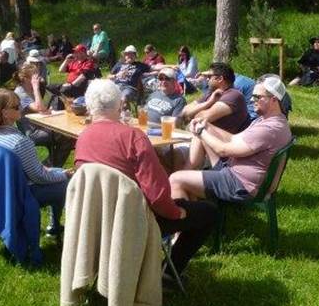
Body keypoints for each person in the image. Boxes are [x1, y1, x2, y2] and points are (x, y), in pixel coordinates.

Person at [74, 79, 217, 279]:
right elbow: (157, 196)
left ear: (89, 106)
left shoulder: (83, 138)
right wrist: (177, 212)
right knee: (208, 212)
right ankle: (168, 274)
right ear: (120, 104)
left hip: (96, 217)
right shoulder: (133, 137)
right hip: (133, 219)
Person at [170, 77, 292, 205]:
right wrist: (207, 126)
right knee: (204, 128)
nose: (251, 99)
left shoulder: (269, 129)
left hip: (240, 185)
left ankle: (188, 220)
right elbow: (233, 138)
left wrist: (201, 132)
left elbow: (223, 150)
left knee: (175, 179)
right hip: (236, 173)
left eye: (257, 97)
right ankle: (192, 190)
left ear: (273, 100)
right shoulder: (269, 120)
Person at [0, 88, 72, 235]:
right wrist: (65, 176)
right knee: (66, 183)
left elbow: (36, 170)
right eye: (16, 107)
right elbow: (39, 177)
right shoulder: (20, 142)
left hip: (1, 188)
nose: (21, 109)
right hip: (20, 193)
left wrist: (54, 171)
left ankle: (55, 226)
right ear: (5, 113)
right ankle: (56, 227)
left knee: (56, 170)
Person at [180, 63, 250, 170]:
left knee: (200, 128)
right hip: (205, 144)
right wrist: (208, 103)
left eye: (209, 77)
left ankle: (182, 177)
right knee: (169, 153)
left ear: (220, 79)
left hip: (222, 151)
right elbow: (185, 111)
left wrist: (196, 112)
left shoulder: (234, 96)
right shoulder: (211, 94)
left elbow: (202, 118)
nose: (206, 80)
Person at [14, 64, 75, 168]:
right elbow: (39, 108)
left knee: (67, 137)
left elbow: (40, 109)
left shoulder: (30, 91)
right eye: (35, 77)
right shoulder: (20, 92)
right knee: (68, 138)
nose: (39, 79)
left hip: (41, 125)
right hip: (32, 132)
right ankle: (50, 167)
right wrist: (36, 88)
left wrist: (47, 110)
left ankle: (50, 167)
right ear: (25, 79)